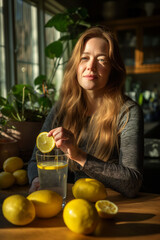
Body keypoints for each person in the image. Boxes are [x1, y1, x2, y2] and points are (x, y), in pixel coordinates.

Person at [28, 26, 144, 197]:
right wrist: (37, 179)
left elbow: (132, 182)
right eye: (84, 58)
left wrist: (79, 155)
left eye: (102, 60)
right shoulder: (61, 108)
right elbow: (34, 161)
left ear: (113, 68)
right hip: (64, 207)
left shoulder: (128, 112)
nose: (91, 66)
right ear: (76, 65)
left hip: (109, 208)